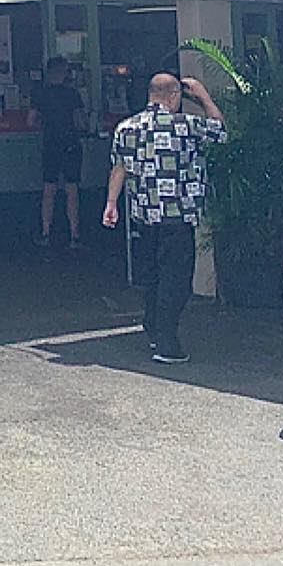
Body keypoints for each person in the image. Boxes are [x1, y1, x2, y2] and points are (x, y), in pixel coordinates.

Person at [103, 71, 227, 364]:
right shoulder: (186, 125)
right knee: (176, 280)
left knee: (153, 278)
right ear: (173, 96)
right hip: (178, 216)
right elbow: (221, 132)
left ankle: (153, 329)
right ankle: (167, 343)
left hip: (144, 215)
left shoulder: (126, 127)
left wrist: (111, 203)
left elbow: (119, 167)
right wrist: (203, 96)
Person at [28, 57, 86, 250]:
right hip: (70, 144)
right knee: (72, 190)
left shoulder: (40, 94)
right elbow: (80, 122)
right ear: (64, 72)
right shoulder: (73, 94)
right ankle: (74, 235)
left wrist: (46, 124)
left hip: (51, 144)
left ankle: (45, 233)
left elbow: (30, 120)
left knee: (49, 190)